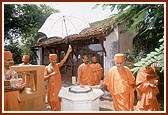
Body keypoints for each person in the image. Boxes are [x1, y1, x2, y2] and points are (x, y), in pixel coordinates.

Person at [44, 46, 72, 111]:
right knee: (50, 100)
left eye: (55, 60)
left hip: (57, 86)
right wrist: (51, 74)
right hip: (50, 86)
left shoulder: (57, 65)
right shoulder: (46, 68)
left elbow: (64, 60)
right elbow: (44, 78)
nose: (54, 61)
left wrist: (68, 51)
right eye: (53, 60)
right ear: (50, 60)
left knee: (57, 100)